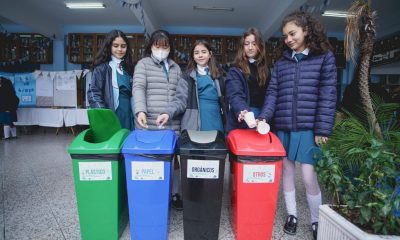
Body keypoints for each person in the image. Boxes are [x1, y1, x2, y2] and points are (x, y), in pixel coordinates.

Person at [259, 11, 337, 240]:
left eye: (292, 33)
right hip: (283, 125)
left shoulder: (324, 57)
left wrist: (323, 128)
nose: (289, 39)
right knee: (287, 173)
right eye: (285, 36)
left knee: (309, 176)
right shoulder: (282, 63)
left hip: (308, 127)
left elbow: (328, 94)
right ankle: (292, 215)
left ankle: (315, 220)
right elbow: (273, 93)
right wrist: (264, 116)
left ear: (306, 30)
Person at [132, 29, 184, 209]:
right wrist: (140, 111)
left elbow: (180, 97)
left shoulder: (176, 68)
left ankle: (175, 194)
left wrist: (169, 112)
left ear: (170, 47)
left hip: (171, 123)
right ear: (151, 46)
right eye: (157, 45)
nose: (161, 49)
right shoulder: (143, 65)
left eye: (165, 46)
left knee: (173, 159)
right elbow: (138, 88)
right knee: (151, 159)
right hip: (149, 122)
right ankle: (153, 194)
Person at [155, 39, 226, 133]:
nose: (200, 55)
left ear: (210, 54)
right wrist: (167, 113)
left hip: (216, 119)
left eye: (204, 52)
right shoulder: (187, 76)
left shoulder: (219, 75)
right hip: (194, 121)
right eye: (196, 53)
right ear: (193, 56)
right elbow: (180, 100)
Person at [87, 29, 135, 130]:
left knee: (128, 142)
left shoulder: (129, 68)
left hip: (129, 114)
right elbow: (93, 93)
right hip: (112, 115)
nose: (120, 49)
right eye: (115, 46)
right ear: (109, 47)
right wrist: (104, 115)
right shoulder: (102, 69)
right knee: (115, 143)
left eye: (123, 46)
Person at [225, 27, 270, 132]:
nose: (250, 47)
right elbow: (235, 95)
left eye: (254, 44)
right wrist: (243, 111)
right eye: (247, 44)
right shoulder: (235, 70)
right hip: (243, 116)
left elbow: (270, 95)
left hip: (262, 117)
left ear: (260, 46)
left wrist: (264, 116)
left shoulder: (266, 70)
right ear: (242, 47)